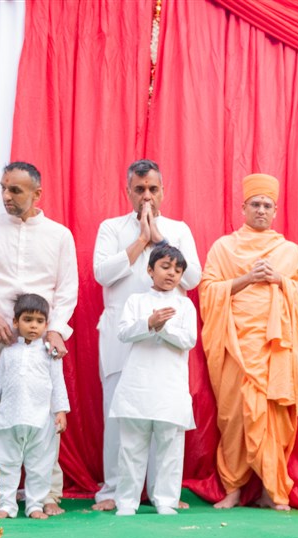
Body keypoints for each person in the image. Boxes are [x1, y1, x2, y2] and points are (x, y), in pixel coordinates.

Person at [200, 173, 298, 510]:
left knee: (273, 416)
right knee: (233, 417)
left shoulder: (290, 253)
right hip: (234, 347)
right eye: (254, 204)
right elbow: (208, 291)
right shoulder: (223, 248)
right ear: (243, 208)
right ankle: (233, 490)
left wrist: (281, 280)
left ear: (275, 211)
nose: (260, 209)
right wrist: (246, 279)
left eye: (267, 205)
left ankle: (272, 490)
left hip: (275, 352)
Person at [0, 162, 77, 516]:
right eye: (4, 188)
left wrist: (55, 329)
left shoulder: (59, 235)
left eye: (16, 190)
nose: (7, 197)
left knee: (45, 418)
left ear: (37, 194)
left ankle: (48, 494)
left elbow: (67, 289)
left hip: (41, 339)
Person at [92, 159, 200, 512]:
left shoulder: (178, 230)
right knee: (121, 415)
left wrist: (161, 241)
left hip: (167, 339)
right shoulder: (111, 228)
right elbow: (102, 274)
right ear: (128, 191)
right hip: (120, 334)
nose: (147, 196)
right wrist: (142, 239)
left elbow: (193, 278)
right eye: (140, 189)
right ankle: (113, 491)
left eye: (153, 189)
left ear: (163, 191)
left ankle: (161, 494)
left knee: (164, 414)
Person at [109, 245, 197, 516]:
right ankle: (126, 502)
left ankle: (166, 501)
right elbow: (123, 333)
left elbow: (188, 340)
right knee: (131, 447)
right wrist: (148, 322)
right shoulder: (136, 301)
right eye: (165, 267)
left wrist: (163, 327)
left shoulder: (185, 304)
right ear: (150, 270)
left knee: (170, 446)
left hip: (170, 385)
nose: (172, 273)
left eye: (178, 270)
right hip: (138, 383)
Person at [0, 294, 69, 519]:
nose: (34, 325)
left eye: (40, 321)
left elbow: (58, 383)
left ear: (47, 324)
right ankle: (7, 505)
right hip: (8, 418)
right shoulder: (8, 352)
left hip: (40, 420)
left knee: (40, 466)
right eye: (28, 319)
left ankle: (34, 505)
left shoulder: (50, 354)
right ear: (15, 322)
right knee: (4, 464)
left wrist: (61, 411)